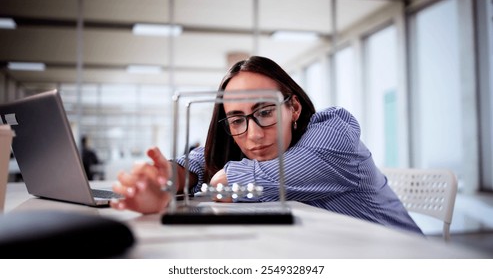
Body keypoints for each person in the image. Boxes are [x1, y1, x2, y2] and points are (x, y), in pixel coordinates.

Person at [111, 56, 423, 235]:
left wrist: (215, 180)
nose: (254, 135)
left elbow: (226, 180)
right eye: (237, 120)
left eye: (265, 112)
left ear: (294, 108)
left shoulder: (334, 133)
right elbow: (197, 163)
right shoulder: (246, 143)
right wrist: (165, 180)